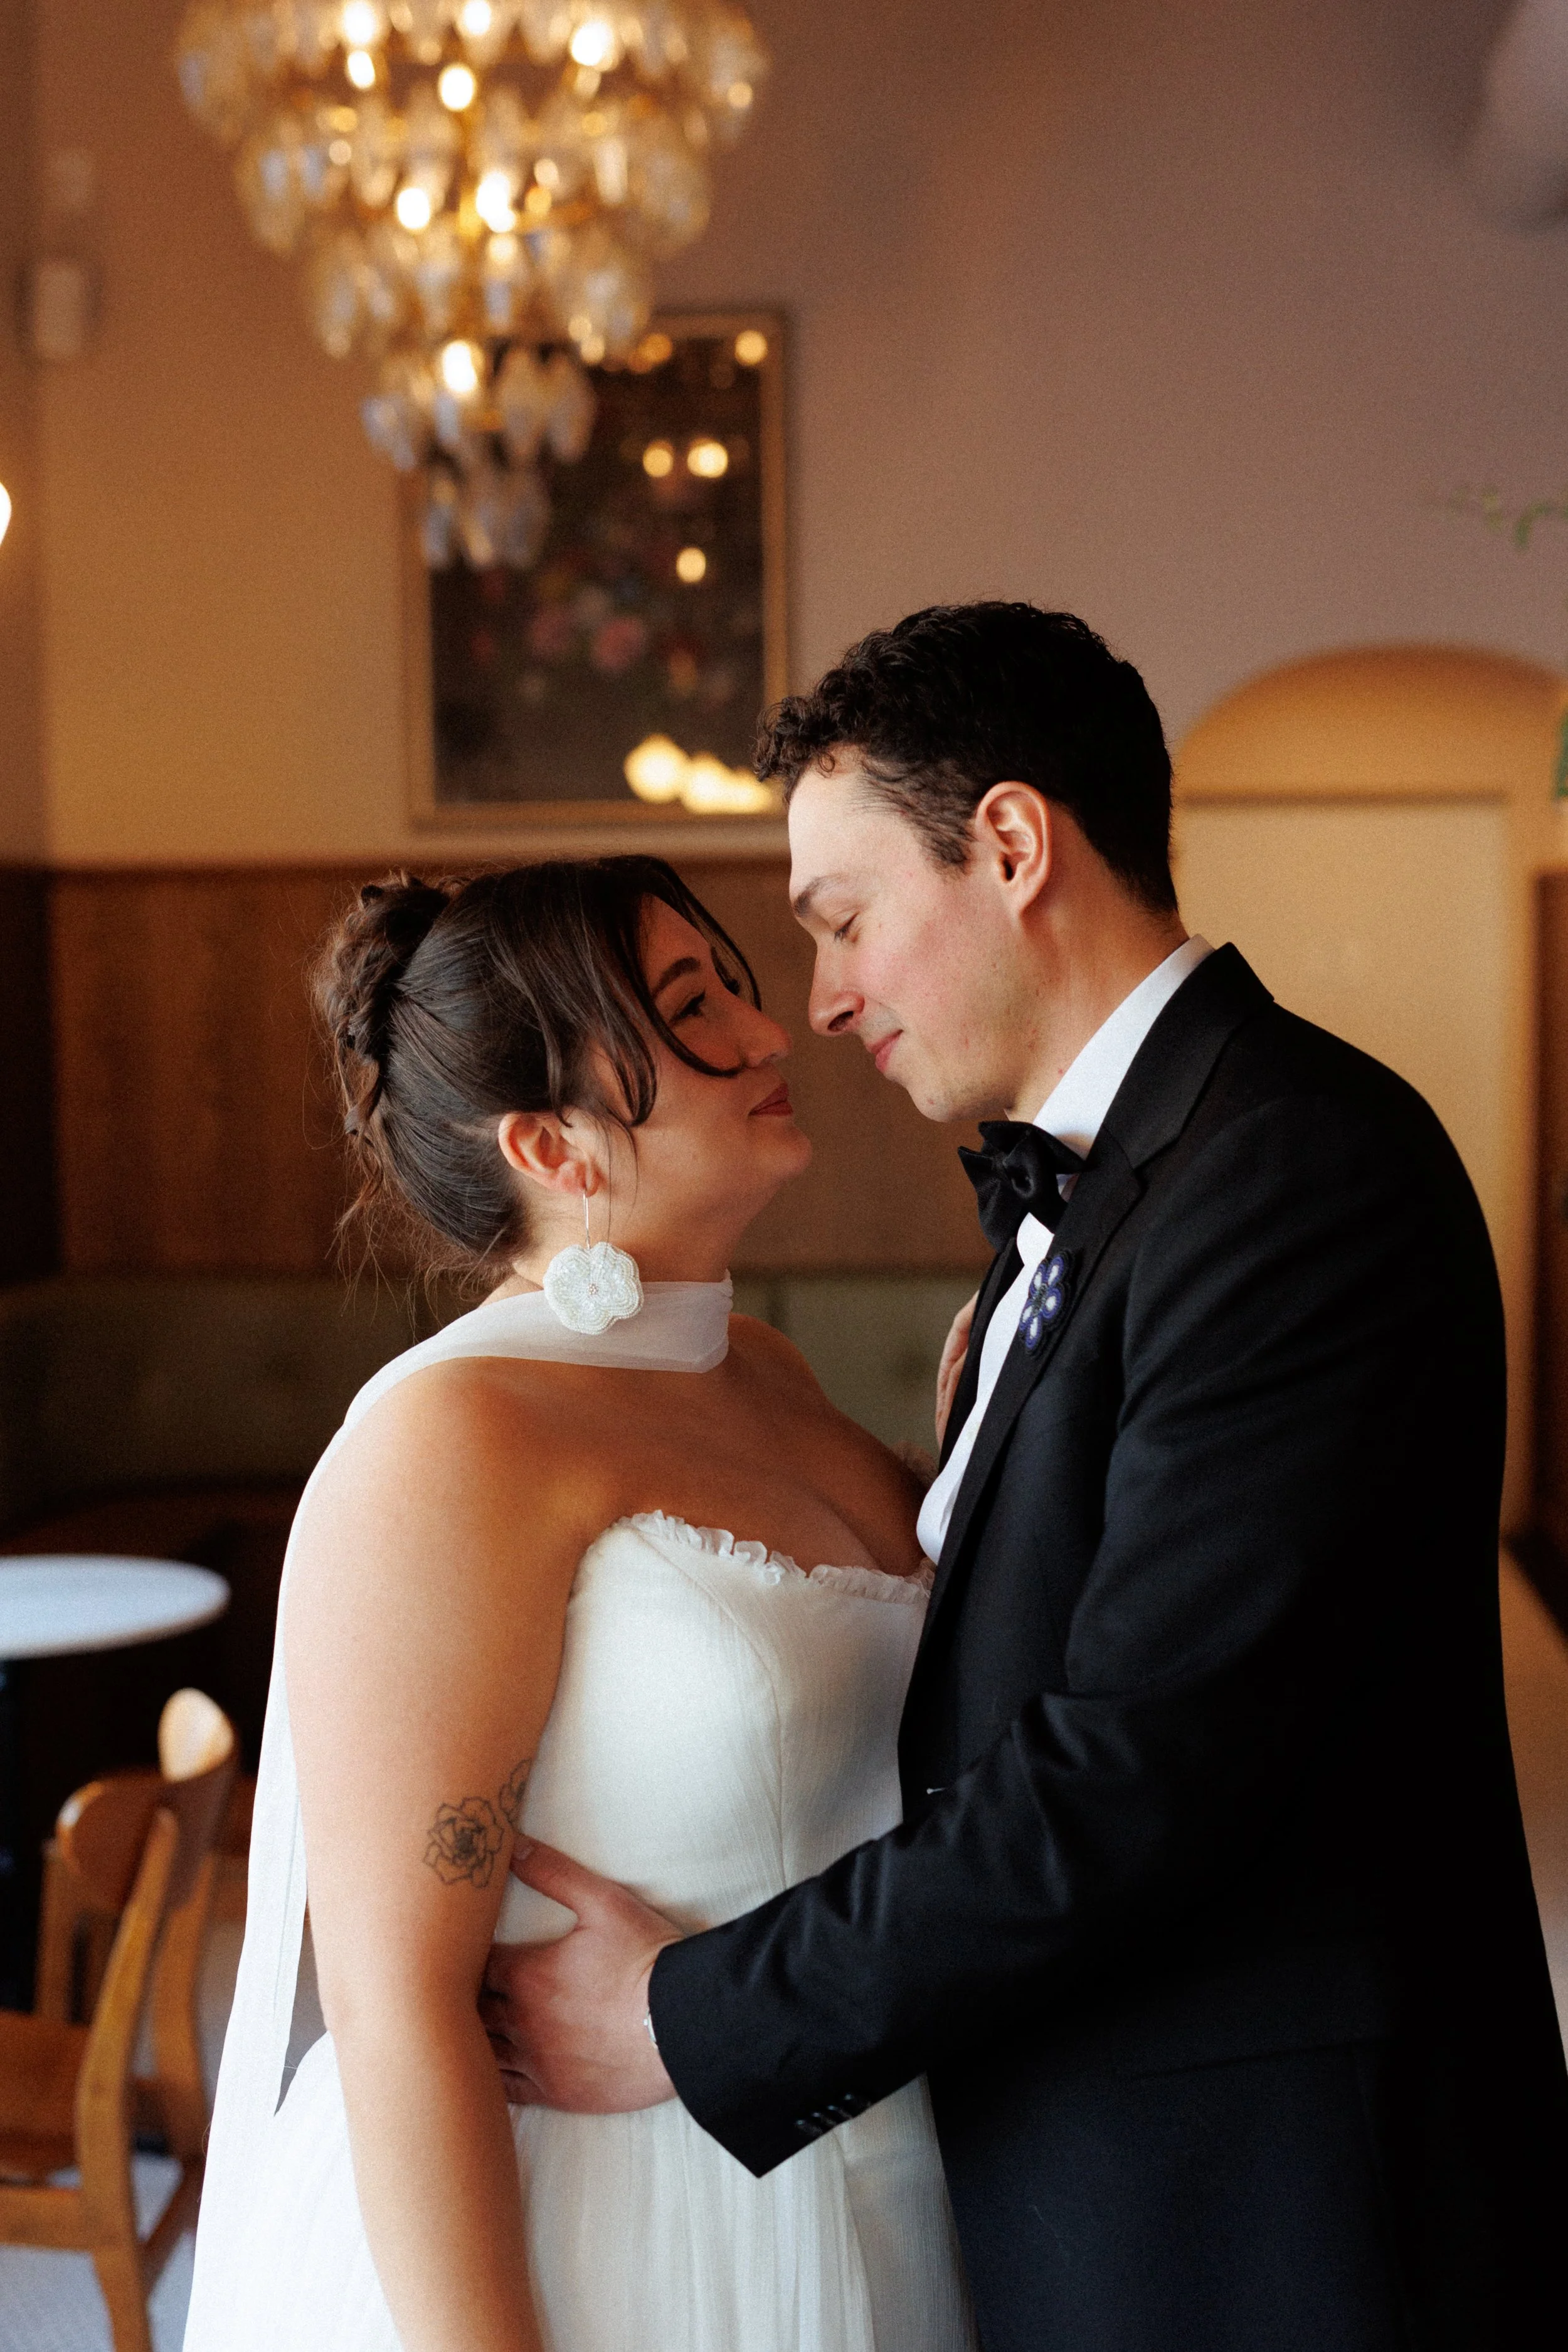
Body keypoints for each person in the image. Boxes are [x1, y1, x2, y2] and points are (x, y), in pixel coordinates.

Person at [485, 604, 1568, 2352]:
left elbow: (1133, 1769)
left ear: (1007, 842)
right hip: (1092, 2159)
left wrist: (692, 2018)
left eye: (840, 920)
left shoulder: (1289, 1173)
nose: (822, 999)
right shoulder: (1090, 1192)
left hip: (1273, 2212)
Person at [182, 857, 977, 2352]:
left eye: (732, 988)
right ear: (550, 1145)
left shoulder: (768, 1372)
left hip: (851, 2139)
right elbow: (393, 2003)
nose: (768, 1032)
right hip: (612, 2226)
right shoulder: (451, 1441)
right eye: (692, 1010)